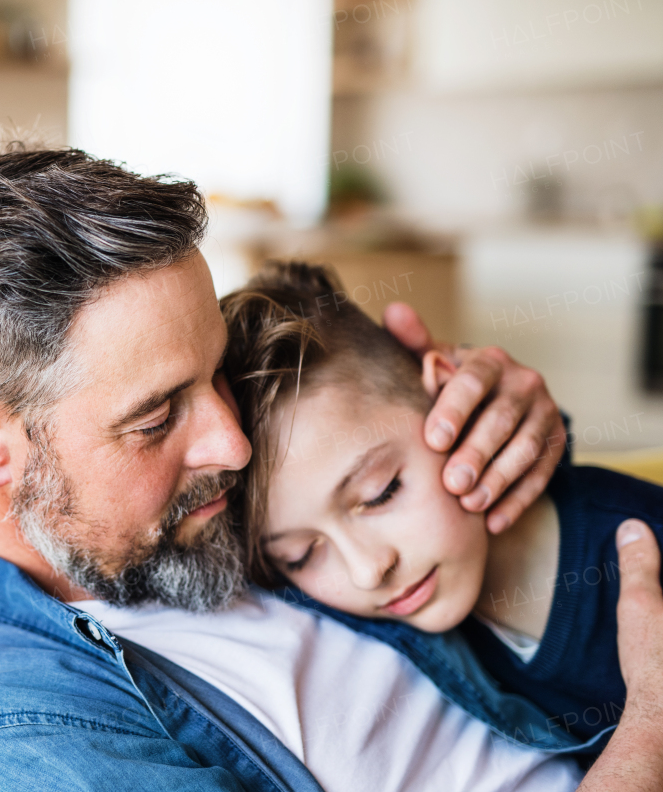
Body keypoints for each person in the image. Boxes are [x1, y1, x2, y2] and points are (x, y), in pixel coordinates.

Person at [0, 146, 663, 791]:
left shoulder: (177, 522)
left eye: (216, 373)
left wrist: (482, 412)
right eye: (154, 417)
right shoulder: (31, 728)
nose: (234, 443)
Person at [218, 259, 663, 746]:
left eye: (380, 492)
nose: (368, 571)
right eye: (300, 555)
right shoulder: (356, 606)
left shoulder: (638, 543)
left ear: (452, 398)